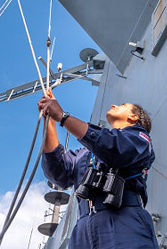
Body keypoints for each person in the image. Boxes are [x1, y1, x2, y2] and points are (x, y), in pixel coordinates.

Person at [38, 90, 158, 249]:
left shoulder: (140, 140)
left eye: (122, 105)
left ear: (133, 117)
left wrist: (63, 117)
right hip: (82, 231)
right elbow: (58, 172)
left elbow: (116, 149)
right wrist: (50, 121)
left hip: (123, 220)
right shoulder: (85, 154)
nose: (114, 105)